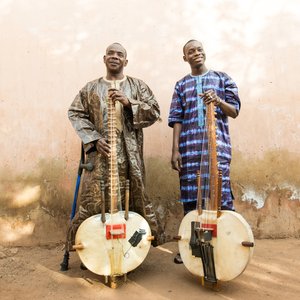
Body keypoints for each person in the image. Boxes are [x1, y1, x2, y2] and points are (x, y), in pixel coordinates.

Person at [64, 43, 164, 265]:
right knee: (94, 201)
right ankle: (91, 250)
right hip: (101, 155)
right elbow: (75, 113)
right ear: (104, 58)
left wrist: (129, 102)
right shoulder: (90, 89)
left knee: (132, 199)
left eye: (120, 54)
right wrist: (94, 139)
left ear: (126, 61)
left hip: (130, 156)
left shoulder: (138, 86)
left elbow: (155, 111)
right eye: (111, 53)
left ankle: (131, 253)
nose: (115, 57)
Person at [168, 40, 241, 263]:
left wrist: (218, 100)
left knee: (221, 197)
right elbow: (176, 119)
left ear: (205, 53)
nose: (196, 53)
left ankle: (228, 245)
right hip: (189, 151)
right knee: (192, 201)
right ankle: (190, 248)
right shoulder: (181, 85)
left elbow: (235, 110)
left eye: (199, 49)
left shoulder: (222, 78)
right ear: (185, 58)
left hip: (217, 148)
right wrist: (175, 151)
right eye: (191, 51)